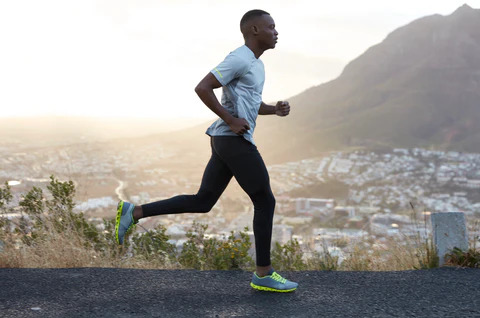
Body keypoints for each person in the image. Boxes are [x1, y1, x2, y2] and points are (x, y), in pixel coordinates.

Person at [115, 9, 298, 292]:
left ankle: (134, 211)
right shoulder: (239, 57)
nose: (277, 32)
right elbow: (203, 87)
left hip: (226, 140)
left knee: (203, 201)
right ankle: (263, 273)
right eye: (271, 27)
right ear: (254, 30)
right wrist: (230, 119)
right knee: (265, 200)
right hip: (232, 140)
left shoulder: (256, 65)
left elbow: (250, 103)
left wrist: (274, 109)